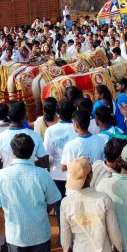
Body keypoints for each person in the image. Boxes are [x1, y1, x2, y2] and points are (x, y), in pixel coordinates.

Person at [43, 98, 77, 230]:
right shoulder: (77, 127)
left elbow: (46, 154)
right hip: (75, 173)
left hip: (57, 173)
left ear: (57, 113)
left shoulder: (51, 130)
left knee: (59, 206)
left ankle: (63, 234)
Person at [0, 101, 48, 172]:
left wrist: (8, 164)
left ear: (8, 117)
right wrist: (30, 164)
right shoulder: (36, 136)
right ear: (25, 115)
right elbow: (44, 164)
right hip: (31, 178)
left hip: (9, 179)